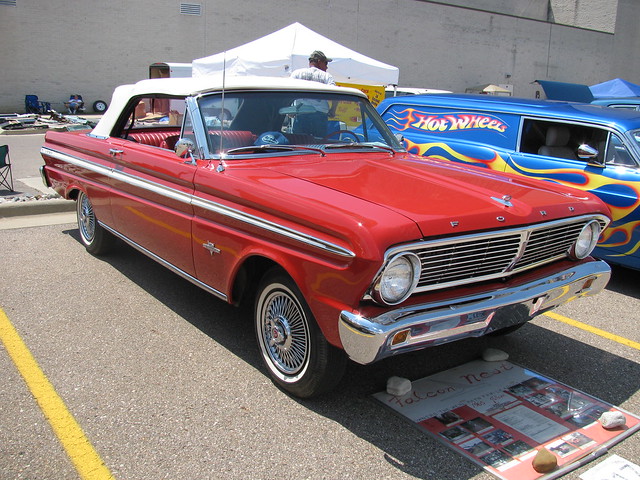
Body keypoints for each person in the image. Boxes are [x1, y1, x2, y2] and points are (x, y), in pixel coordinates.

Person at [289, 51, 337, 137]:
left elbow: (288, 92)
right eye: (325, 63)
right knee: (319, 145)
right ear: (319, 61)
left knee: (298, 144)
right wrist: (333, 110)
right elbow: (335, 94)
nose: (327, 67)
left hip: (301, 114)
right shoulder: (326, 76)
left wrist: (290, 109)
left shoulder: (297, 73)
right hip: (319, 115)